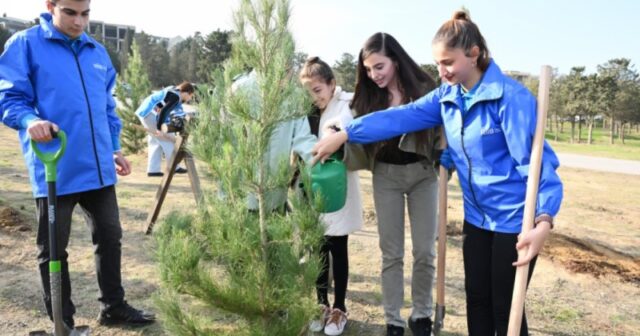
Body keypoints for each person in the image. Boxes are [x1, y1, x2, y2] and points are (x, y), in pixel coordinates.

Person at [312, 11, 563, 336]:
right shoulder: (448, 96)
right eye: (437, 63)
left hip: (513, 221)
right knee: (477, 302)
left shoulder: (511, 99)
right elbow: (400, 117)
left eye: (448, 62)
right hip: (477, 219)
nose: (441, 71)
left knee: (506, 310)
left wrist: (543, 220)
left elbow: (539, 165)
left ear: (473, 55)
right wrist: (346, 134)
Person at [0, 0, 155, 329]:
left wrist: (114, 149)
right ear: (51, 6)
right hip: (56, 167)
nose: (79, 21)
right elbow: (9, 97)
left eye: (85, 13)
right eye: (70, 12)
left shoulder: (97, 52)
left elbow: (106, 108)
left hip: (98, 168)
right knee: (54, 249)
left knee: (110, 237)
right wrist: (29, 120)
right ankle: (62, 321)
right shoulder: (25, 45)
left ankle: (113, 307)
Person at [330, 32, 442, 336]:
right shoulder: (366, 98)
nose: (373, 75)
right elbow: (346, 124)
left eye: (379, 66)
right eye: (367, 69)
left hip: (423, 175)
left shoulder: (425, 88)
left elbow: (442, 130)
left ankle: (421, 316)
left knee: (425, 251)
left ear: (395, 59)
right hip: (386, 176)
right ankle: (393, 320)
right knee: (391, 253)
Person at [298, 57, 363, 336]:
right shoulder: (306, 111)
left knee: (338, 245)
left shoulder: (344, 103)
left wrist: (332, 132)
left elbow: (341, 125)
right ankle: (321, 303)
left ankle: (339, 308)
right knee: (318, 248)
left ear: (331, 85)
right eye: (308, 92)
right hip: (313, 186)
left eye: (318, 90)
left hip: (338, 187)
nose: (314, 97)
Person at [135, 81, 195, 177]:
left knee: (155, 141)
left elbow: (177, 112)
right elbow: (164, 111)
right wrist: (159, 129)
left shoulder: (174, 92)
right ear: (186, 92)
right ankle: (174, 166)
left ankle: (153, 170)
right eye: (191, 95)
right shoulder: (175, 96)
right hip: (149, 113)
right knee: (167, 139)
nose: (190, 98)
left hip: (145, 112)